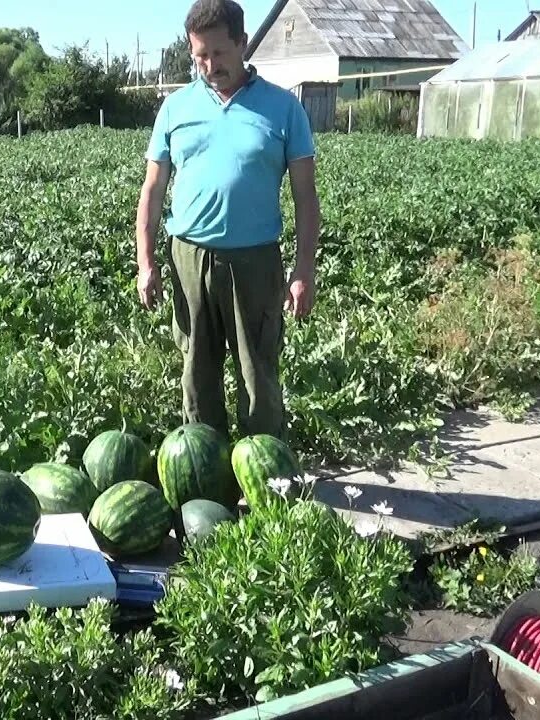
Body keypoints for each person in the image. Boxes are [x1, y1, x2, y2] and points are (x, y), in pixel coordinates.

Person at [134, 0, 321, 442]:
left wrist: (304, 271)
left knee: (259, 373)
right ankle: (207, 482)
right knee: (197, 374)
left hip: (255, 261)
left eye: (218, 53)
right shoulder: (175, 109)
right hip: (189, 257)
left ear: (242, 43)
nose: (208, 65)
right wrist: (146, 262)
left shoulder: (282, 109)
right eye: (199, 55)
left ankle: (267, 481)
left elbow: (305, 196)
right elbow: (152, 190)